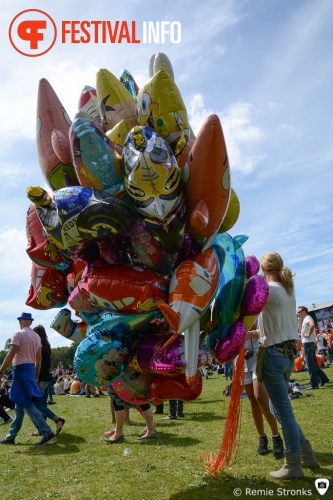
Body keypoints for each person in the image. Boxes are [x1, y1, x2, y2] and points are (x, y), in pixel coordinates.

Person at [255, 253, 319, 479]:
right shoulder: (287, 290)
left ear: (264, 269)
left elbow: (249, 307)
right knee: (277, 409)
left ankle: (293, 464)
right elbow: (269, 324)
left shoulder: (269, 290)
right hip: (286, 355)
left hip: (273, 355)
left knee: (283, 411)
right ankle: (307, 453)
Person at [0, 312, 56, 446]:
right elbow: (39, 359)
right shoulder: (36, 337)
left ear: (20, 321)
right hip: (31, 371)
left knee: (27, 404)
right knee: (20, 406)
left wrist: (1, 370)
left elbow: (10, 355)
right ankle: (10, 436)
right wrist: (36, 375)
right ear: (30, 322)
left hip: (20, 371)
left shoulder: (18, 334)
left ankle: (47, 432)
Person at [243, 328, 284, 457]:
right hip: (241, 358)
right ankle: (262, 437)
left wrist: (253, 333)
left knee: (260, 396)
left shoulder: (260, 309)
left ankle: (276, 435)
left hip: (260, 354)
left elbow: (270, 327)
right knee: (252, 400)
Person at [32, 325, 65, 435]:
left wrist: (37, 378)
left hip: (42, 379)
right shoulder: (47, 346)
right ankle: (42, 429)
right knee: (43, 405)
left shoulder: (38, 346)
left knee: (38, 405)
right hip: (48, 378)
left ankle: (57, 419)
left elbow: (39, 364)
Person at [298, 307, 329, 389]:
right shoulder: (305, 319)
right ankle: (323, 378)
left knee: (310, 364)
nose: (298, 313)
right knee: (312, 363)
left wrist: (308, 334)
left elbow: (312, 325)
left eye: (299, 312)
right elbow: (300, 331)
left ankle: (314, 384)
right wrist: (299, 320)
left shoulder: (308, 317)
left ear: (304, 311)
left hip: (308, 343)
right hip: (308, 343)